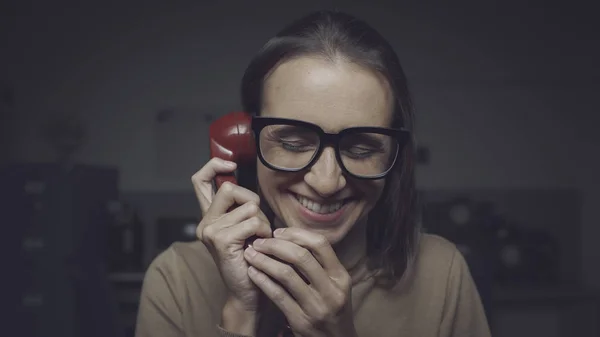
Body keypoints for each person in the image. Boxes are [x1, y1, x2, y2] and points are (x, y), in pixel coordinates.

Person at [135, 10, 491, 337]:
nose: (326, 182)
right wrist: (240, 313)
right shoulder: (177, 280)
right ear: (246, 139)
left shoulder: (440, 276)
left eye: (361, 148)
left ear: (394, 156)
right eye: (293, 142)